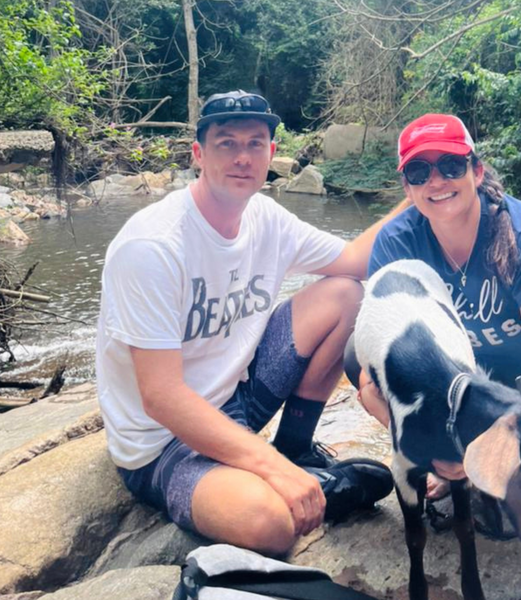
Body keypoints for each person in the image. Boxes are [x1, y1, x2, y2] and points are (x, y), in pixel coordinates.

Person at [96, 90, 406, 554]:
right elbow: (161, 397)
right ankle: (300, 479)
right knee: (270, 524)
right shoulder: (152, 246)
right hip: (164, 444)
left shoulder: (265, 217)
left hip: (236, 399)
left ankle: (295, 449)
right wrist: (274, 474)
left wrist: (423, 191)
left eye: (255, 144)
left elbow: (354, 260)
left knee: (344, 294)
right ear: (198, 153)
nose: (242, 157)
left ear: (272, 154)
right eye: (227, 143)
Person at [345, 114, 521, 535]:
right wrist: (432, 451)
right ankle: (459, 461)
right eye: (420, 172)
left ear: (476, 171)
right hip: (467, 372)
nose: (436, 182)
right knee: (356, 354)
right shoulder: (397, 241)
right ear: (407, 188)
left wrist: (496, 444)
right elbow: (373, 382)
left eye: (451, 167)